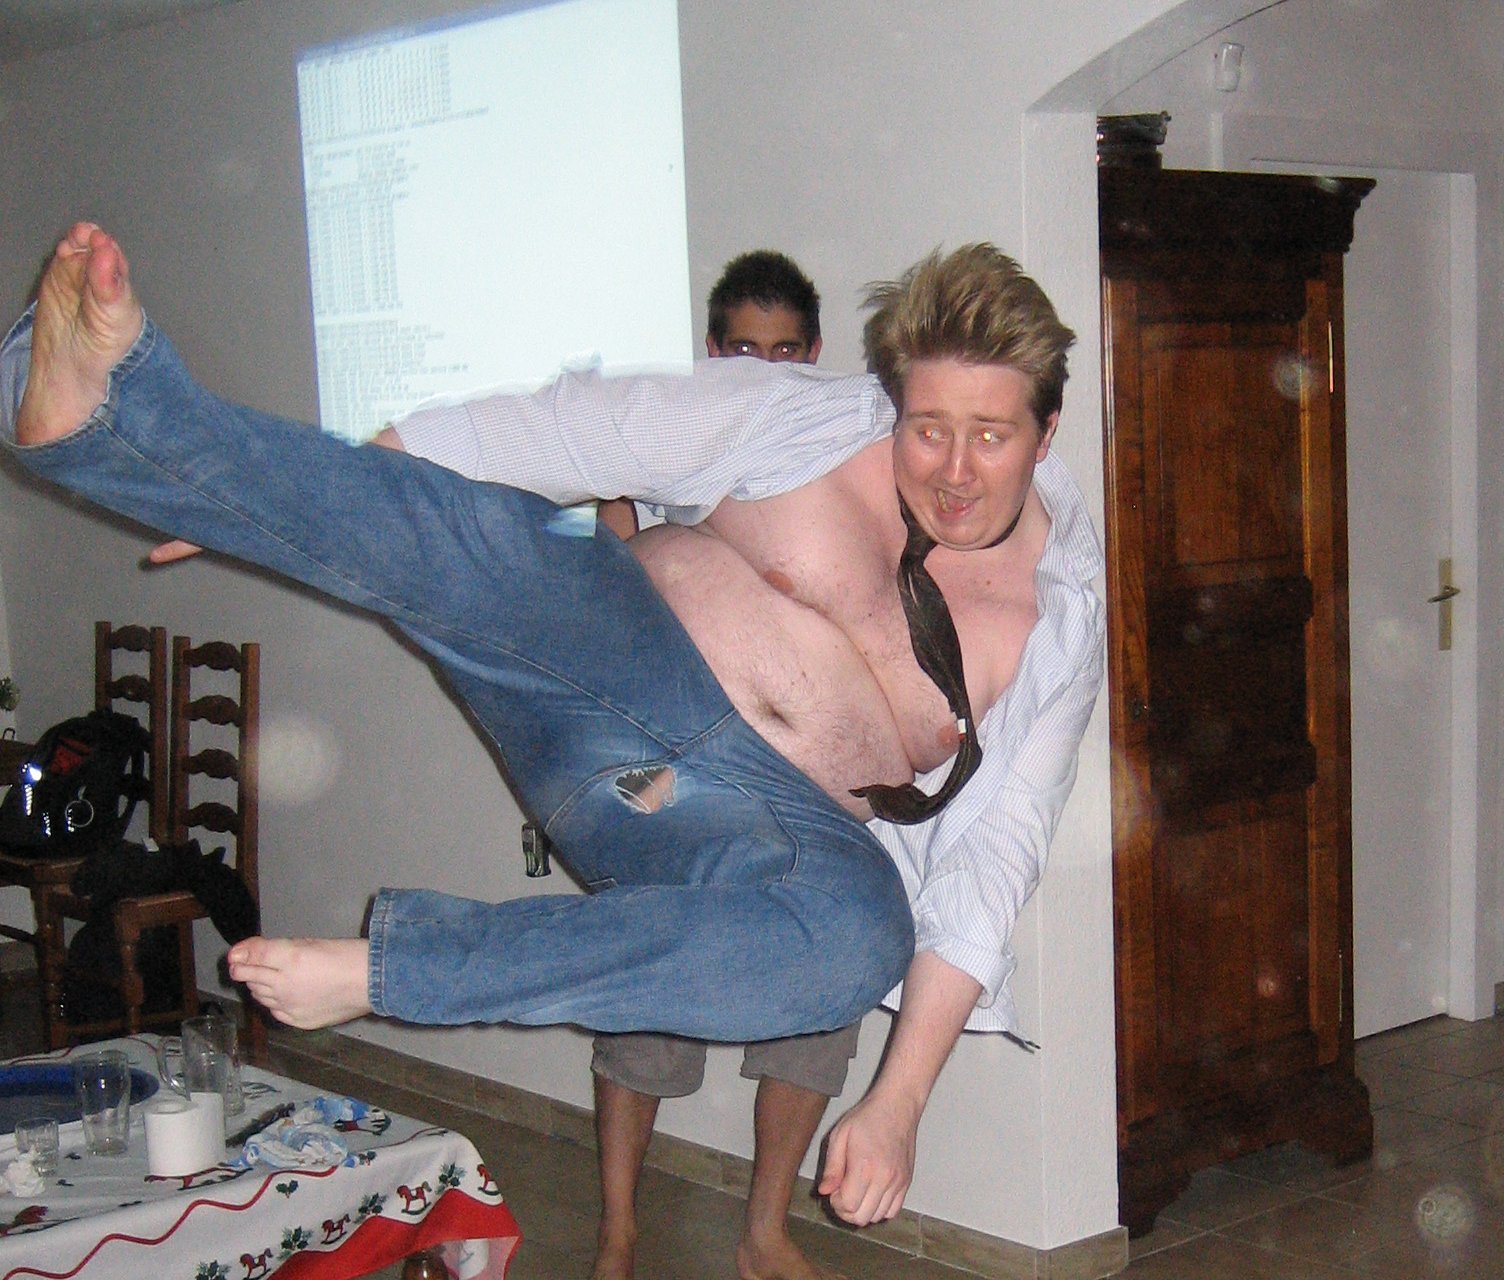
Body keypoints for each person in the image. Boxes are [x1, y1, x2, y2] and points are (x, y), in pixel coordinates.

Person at [3, 223, 1103, 1233]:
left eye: (990, 436)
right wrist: (309, 495)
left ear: (1046, 431)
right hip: (608, 661)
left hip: (741, 826)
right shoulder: (798, 420)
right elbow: (570, 429)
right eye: (927, 429)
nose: (953, 471)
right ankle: (110, 414)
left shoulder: (1054, 621)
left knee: (858, 934)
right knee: (491, 533)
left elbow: (990, 862)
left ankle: (393, 970)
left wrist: (897, 1103)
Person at [589, 248, 848, 1280]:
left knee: (819, 991)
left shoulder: (835, 472)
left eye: (784, 353)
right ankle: (616, 1235)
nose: (763, 372)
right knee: (646, 997)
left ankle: (764, 1235)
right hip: (671, 773)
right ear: (711, 351)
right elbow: (608, 613)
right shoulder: (658, 457)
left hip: (795, 780)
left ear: (812, 356)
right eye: (743, 351)